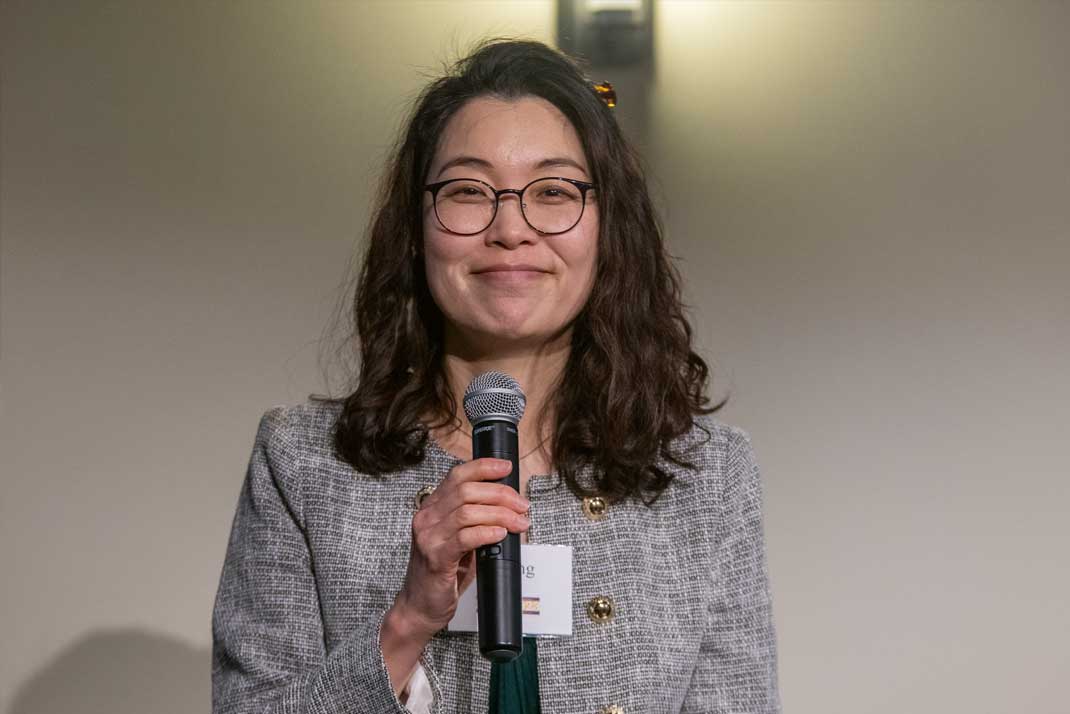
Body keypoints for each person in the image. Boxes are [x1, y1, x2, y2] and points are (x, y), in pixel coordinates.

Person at [212, 39, 780, 714]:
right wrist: (408, 618)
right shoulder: (303, 461)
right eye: (466, 191)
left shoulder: (706, 478)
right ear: (417, 230)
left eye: (552, 192)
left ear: (608, 228)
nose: (510, 228)